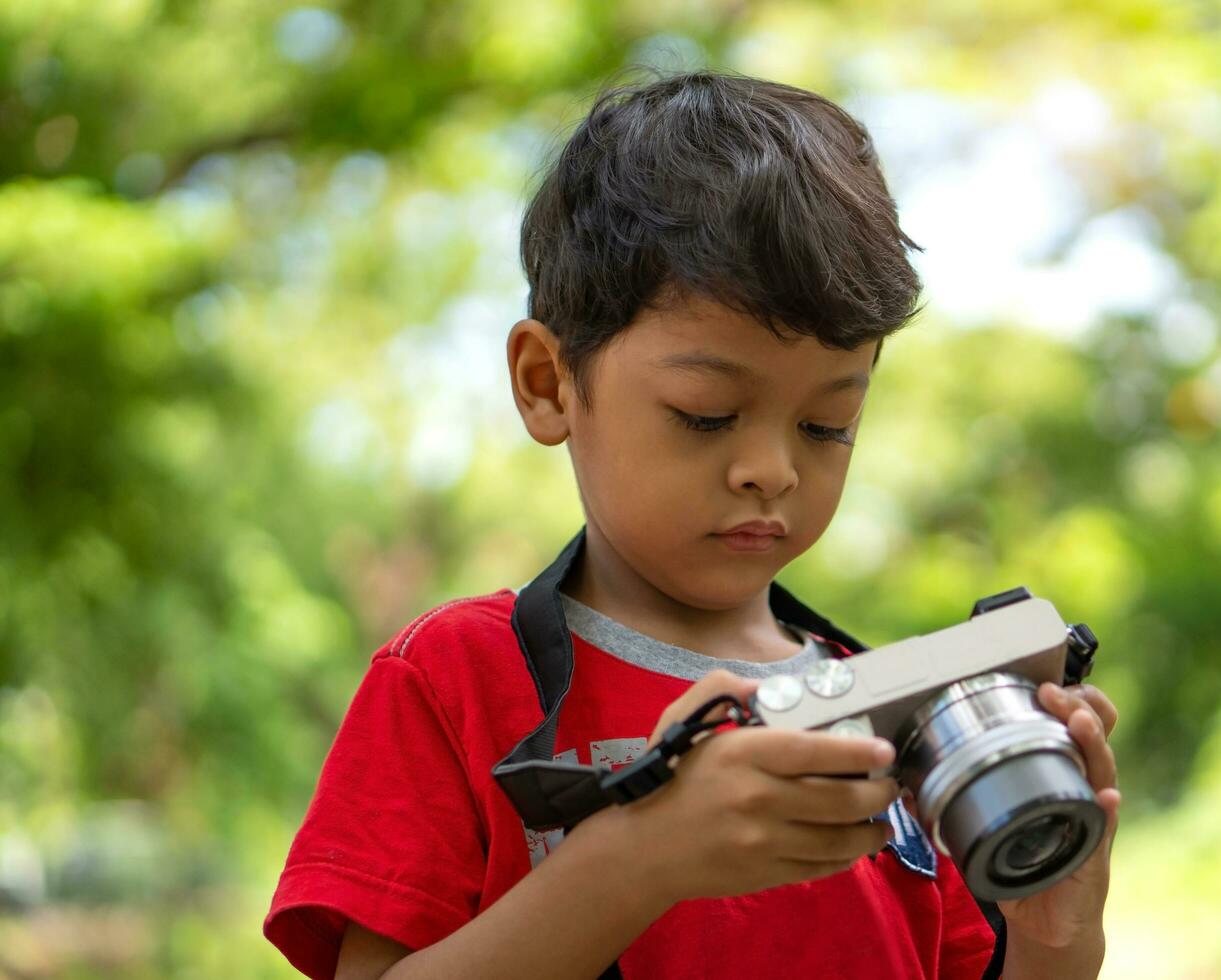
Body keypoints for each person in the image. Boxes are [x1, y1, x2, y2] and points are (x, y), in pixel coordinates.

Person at [263, 69, 1121, 979]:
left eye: (828, 425)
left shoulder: (893, 725)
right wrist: (640, 858)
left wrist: (1054, 940)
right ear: (548, 384)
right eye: (707, 413)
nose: (774, 469)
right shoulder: (456, 681)